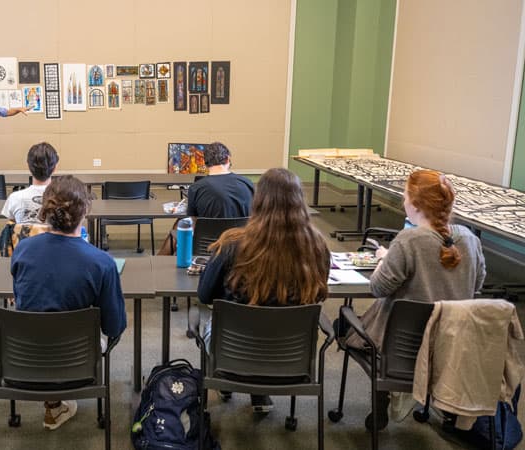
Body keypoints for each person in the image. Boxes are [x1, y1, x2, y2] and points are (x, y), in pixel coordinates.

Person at [344, 169, 486, 429]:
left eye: (406, 196)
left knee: (351, 326)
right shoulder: (470, 240)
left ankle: (382, 398)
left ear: (416, 204)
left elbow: (378, 288)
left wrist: (383, 261)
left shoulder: (408, 241)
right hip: (452, 344)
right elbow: (477, 284)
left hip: (401, 347)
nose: (404, 202)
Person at [197, 167, 330, 413]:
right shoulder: (318, 247)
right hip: (292, 353)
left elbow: (205, 295)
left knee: (214, 322)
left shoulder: (232, 244)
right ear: (300, 201)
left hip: (233, 347)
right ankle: (259, 392)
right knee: (272, 325)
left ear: (258, 201)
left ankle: (230, 379)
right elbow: (319, 294)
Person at [11, 175, 127, 430]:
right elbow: (114, 327)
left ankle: (53, 405)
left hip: (22, 357)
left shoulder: (22, 250)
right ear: (84, 212)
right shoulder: (102, 263)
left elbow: (24, 301)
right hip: (78, 361)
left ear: (46, 210)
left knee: (46, 325)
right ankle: (56, 403)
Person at [187, 142, 254, 218]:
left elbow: (193, 221)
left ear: (205, 163)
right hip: (242, 230)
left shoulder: (195, 188)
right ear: (227, 159)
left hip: (209, 230)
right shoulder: (247, 183)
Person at [1, 142, 60, 224]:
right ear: (54, 168)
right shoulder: (65, 199)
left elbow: (12, 228)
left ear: (29, 166)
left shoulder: (15, 198)